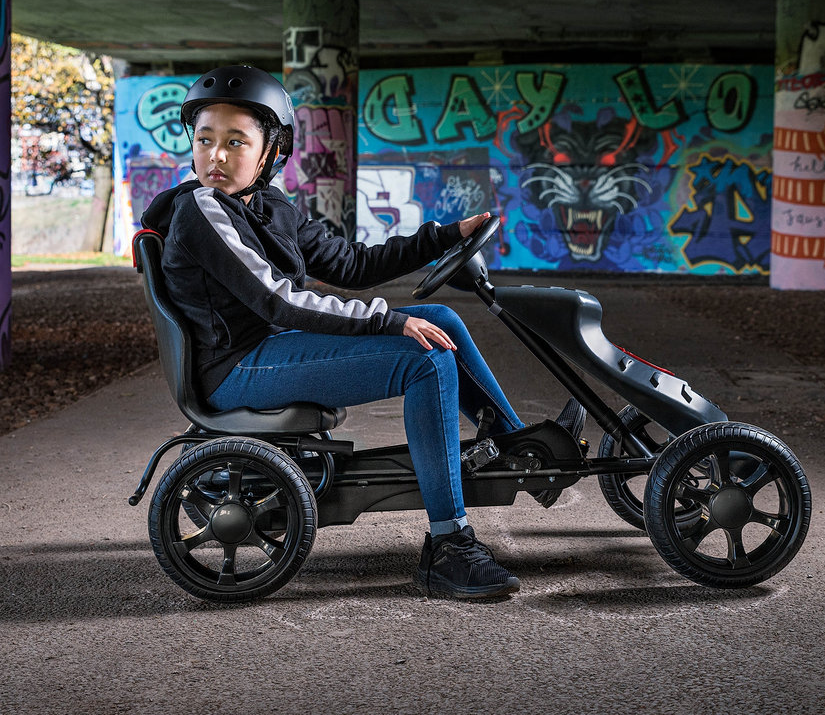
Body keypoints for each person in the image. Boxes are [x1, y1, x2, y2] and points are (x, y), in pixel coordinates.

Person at [141, 65, 581, 601]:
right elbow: (278, 301)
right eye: (205, 139)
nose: (215, 155)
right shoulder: (202, 209)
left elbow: (350, 263)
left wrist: (441, 238)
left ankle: (517, 449)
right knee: (423, 358)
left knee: (441, 320)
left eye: (236, 142)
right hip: (234, 370)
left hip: (262, 353)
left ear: (270, 152)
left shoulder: (268, 205)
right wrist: (390, 320)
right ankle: (449, 544)